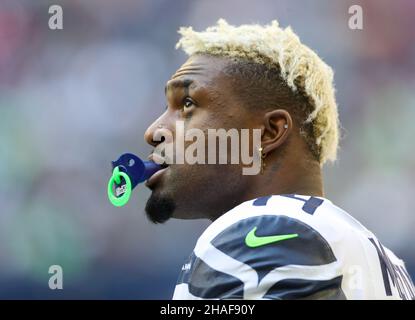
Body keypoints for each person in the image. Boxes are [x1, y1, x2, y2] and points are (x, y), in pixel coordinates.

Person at [143, 19, 414, 299]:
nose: (153, 132)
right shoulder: (388, 263)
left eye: (187, 104)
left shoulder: (266, 228)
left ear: (269, 132)